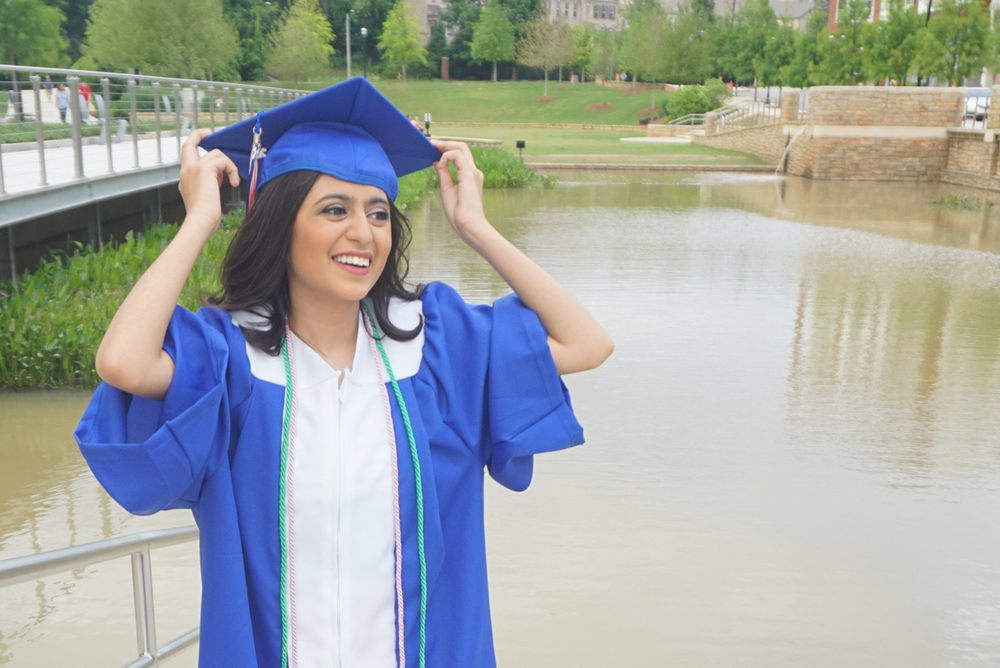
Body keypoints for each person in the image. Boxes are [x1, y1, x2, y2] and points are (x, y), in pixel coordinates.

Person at [74, 77, 612, 667]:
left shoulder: (436, 350)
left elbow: (586, 343)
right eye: (334, 210)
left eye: (378, 213)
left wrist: (476, 229)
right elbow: (123, 362)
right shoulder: (232, 360)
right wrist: (200, 218)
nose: (363, 232)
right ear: (281, 224)